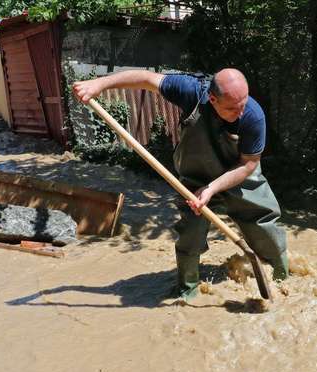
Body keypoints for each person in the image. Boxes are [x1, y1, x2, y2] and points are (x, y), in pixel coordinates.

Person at [72, 69, 289, 301]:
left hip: (239, 176)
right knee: (190, 236)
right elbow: (146, 79)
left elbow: (247, 166)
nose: (241, 112)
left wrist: (213, 188)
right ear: (212, 99)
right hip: (196, 179)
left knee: (263, 226)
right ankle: (187, 293)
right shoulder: (191, 92)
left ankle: (281, 279)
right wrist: (99, 84)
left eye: (244, 103)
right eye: (232, 108)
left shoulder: (253, 116)